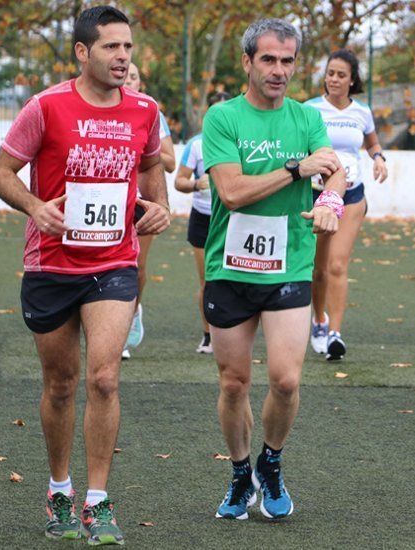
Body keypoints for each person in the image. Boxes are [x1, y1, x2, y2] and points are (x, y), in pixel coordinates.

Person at [0, 6, 170, 544]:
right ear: (82, 52)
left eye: (128, 48)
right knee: (61, 385)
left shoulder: (145, 109)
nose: (122, 57)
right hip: (50, 264)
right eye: (112, 47)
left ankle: (98, 499)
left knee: (105, 377)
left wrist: (157, 207)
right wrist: (35, 207)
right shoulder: (46, 107)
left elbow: (152, 164)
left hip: (113, 263)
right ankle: (59, 488)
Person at [202, 18, 344, 521]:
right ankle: (240, 473)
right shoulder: (223, 118)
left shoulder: (306, 120)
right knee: (234, 383)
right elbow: (232, 192)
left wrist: (330, 199)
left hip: (289, 265)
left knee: (285, 380)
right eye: (268, 59)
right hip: (230, 269)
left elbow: (335, 169)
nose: (279, 70)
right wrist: (294, 170)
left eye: (287, 61)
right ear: (247, 62)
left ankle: (271, 462)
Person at [306, 49, 388, 360]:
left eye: (341, 74)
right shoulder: (310, 110)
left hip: (352, 196)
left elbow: (372, 143)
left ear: (352, 80)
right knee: (319, 269)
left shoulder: (362, 112)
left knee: (338, 265)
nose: (334, 79)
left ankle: (334, 335)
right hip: (315, 194)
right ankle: (318, 320)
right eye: (330, 73)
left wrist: (379, 158)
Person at [121, 62, 176, 359]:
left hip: (143, 201)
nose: (128, 80)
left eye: (134, 76)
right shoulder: (101, 108)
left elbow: (169, 161)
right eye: (126, 75)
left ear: (140, 83)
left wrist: (141, 149)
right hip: (111, 197)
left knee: (137, 265)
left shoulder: (151, 113)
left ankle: (131, 315)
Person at [174, 90, 231, 354]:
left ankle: (230, 335)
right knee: (207, 280)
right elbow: (179, 181)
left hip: (231, 216)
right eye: (215, 111)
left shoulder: (238, 141)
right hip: (203, 218)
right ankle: (208, 335)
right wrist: (197, 183)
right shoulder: (196, 145)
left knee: (232, 279)